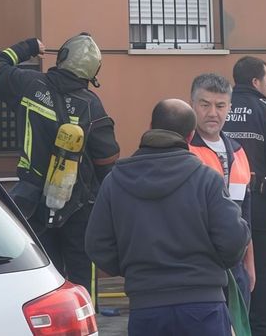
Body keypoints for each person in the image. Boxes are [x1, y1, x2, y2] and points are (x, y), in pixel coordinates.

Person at [87, 99, 251, 336]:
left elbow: (97, 244)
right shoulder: (207, 179)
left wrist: (134, 268)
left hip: (146, 306)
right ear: (190, 136)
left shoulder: (115, 181)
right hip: (204, 306)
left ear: (151, 125)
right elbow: (234, 240)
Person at [0, 32, 120, 294]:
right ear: (92, 72)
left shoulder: (28, 84)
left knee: (42, 280)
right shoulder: (92, 108)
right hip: (79, 210)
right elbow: (108, 165)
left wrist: (28, 47)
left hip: (31, 205)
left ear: (63, 57)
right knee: (83, 284)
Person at [222, 56, 266, 336]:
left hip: (220, 205)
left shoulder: (219, 107)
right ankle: (259, 329)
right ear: (255, 82)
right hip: (259, 203)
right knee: (262, 272)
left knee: (224, 269)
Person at [189, 73, 255, 312]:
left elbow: (245, 215)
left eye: (220, 105)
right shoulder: (183, 151)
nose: (212, 113)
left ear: (229, 107)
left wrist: (250, 263)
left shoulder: (238, 152)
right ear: (192, 105)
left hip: (236, 267)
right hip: (198, 267)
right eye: (205, 105)